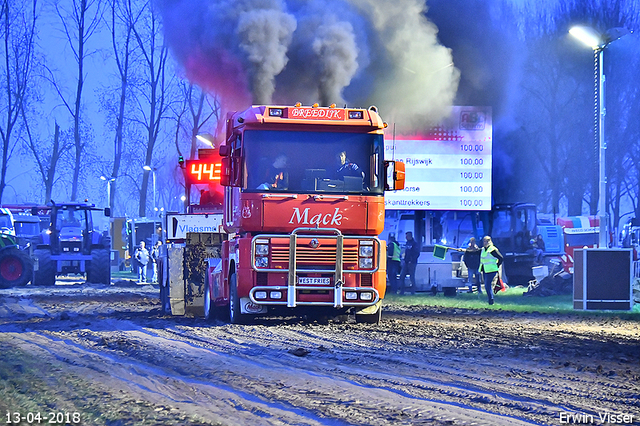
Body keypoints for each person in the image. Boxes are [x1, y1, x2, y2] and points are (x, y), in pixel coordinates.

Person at [478, 236, 504, 305]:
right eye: (484, 241)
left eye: (487, 241)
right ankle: (490, 299)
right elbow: (475, 251)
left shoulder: (492, 250)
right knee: (487, 285)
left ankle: (491, 299)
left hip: (491, 270)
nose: (485, 243)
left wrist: (497, 265)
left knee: (487, 285)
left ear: (490, 242)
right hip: (485, 269)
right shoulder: (483, 249)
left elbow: (501, 258)